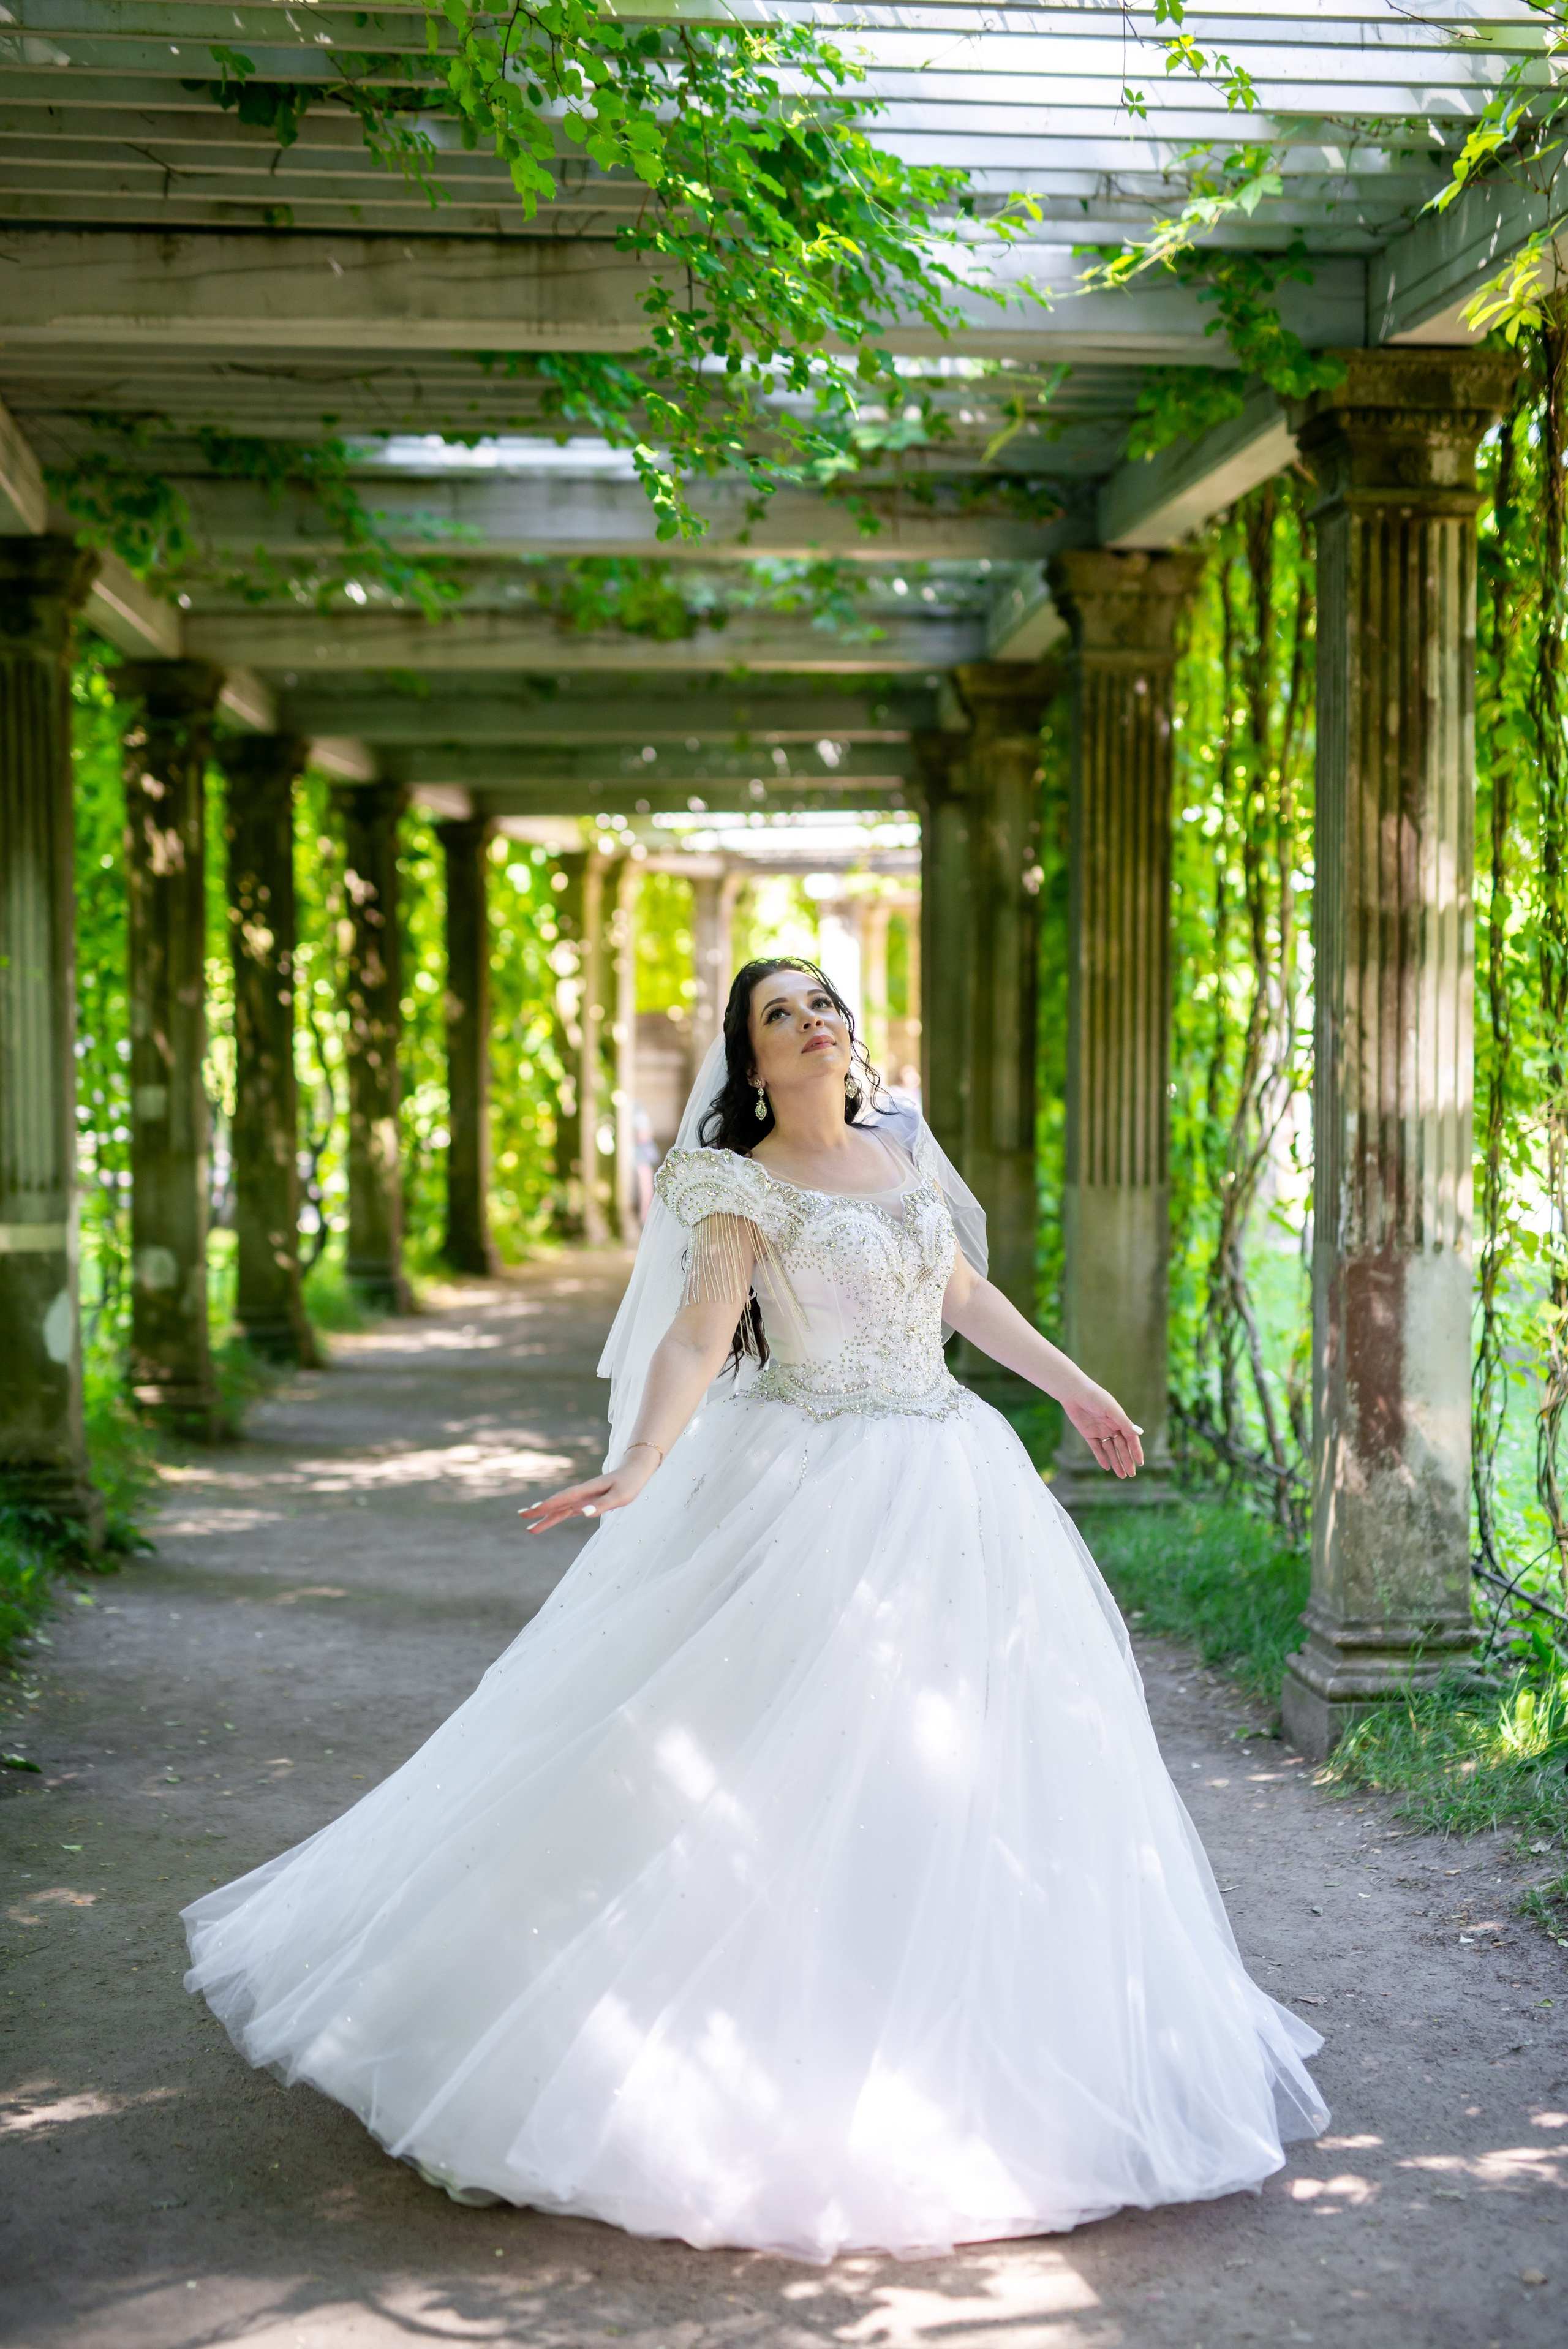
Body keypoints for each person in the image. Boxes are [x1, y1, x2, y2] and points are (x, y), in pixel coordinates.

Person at [183, 956, 1326, 2263]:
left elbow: (960, 1296)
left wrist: (1077, 1389)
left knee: (965, 1762)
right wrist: (641, 1462)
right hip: (808, 1480)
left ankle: (955, 2044)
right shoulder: (739, 1181)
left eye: (821, 999)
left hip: (953, 1476)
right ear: (750, 1059)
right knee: (776, 1757)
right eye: (779, 1012)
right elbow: (692, 1335)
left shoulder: (901, 1150)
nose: (812, 1019)